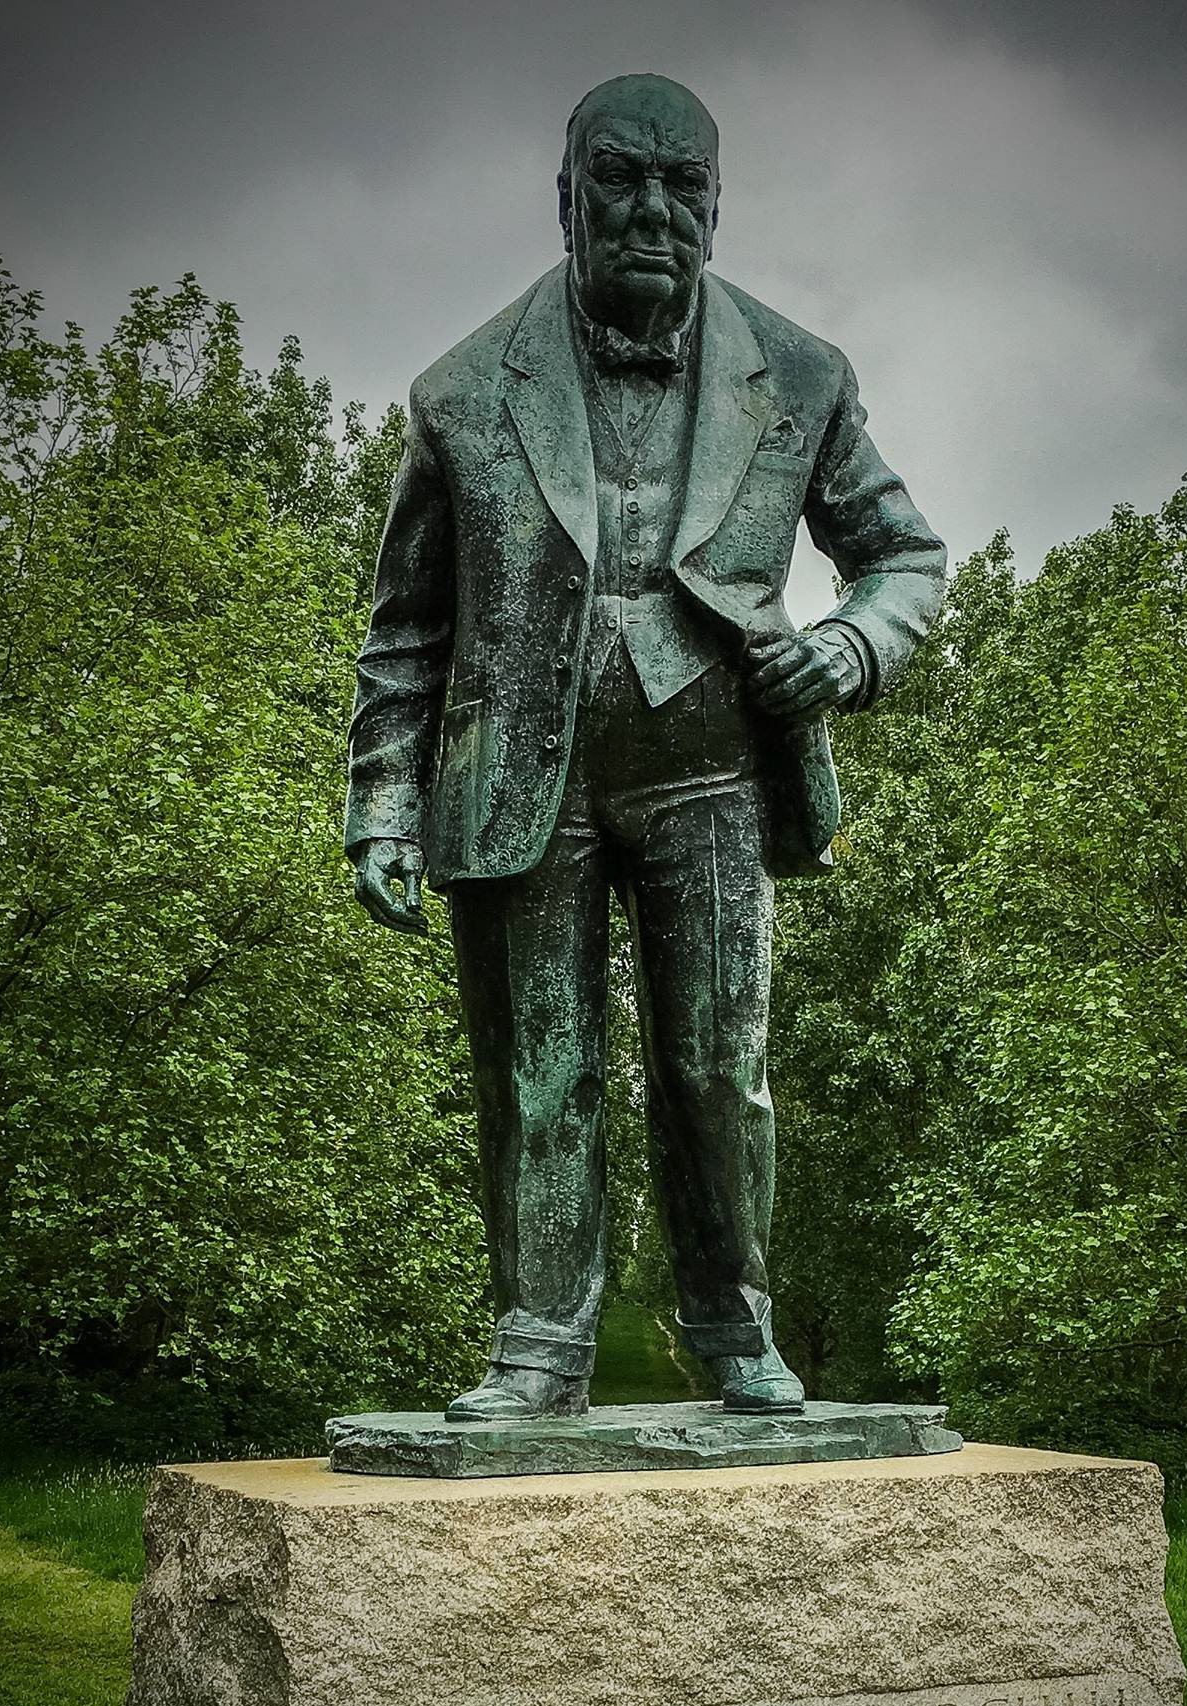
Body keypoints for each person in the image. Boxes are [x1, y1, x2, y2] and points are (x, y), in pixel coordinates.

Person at [347, 73, 945, 1421]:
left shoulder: (799, 375)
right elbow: (404, 630)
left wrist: (846, 649)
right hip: (520, 781)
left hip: (712, 775)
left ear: (717, 209)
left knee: (714, 1070)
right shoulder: (459, 393)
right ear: (566, 200)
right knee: (539, 1073)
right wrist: (381, 804)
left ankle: (733, 1330)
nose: (651, 210)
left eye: (682, 188)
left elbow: (902, 558)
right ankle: (539, 1343)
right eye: (620, 180)